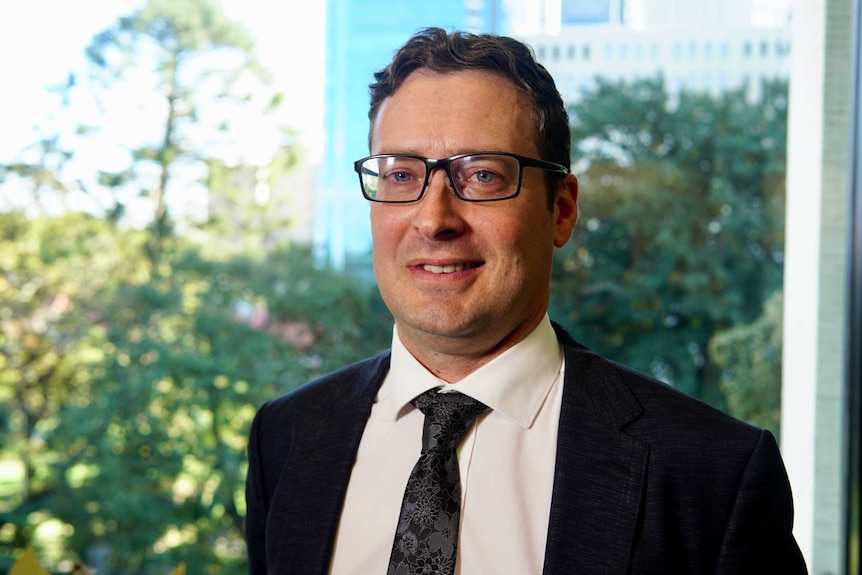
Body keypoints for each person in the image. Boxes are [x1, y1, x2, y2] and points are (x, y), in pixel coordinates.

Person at [244, 27, 807, 574]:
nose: (434, 219)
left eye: (483, 176)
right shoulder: (287, 438)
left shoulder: (712, 474)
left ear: (561, 209)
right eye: (402, 175)